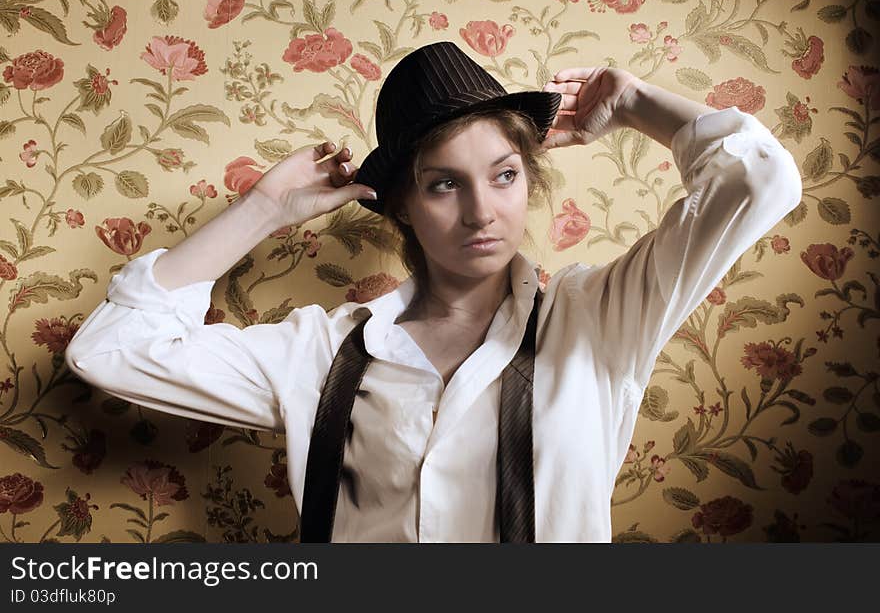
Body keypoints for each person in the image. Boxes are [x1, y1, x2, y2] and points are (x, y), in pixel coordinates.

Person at [65, 41, 803, 542]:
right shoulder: (323, 353)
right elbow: (113, 350)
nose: (482, 212)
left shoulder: (597, 319)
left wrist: (637, 103)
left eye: (504, 175)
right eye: (445, 184)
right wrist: (262, 209)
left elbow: (758, 180)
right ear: (401, 206)